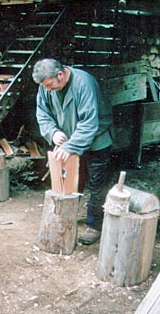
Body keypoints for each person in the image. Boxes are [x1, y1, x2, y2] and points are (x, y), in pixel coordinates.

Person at [32, 58, 113, 245]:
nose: (48, 90)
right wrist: (53, 132)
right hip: (70, 140)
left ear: (60, 75)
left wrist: (69, 146)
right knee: (71, 181)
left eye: (50, 85)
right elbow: (42, 113)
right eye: (45, 86)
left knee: (96, 186)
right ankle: (68, 218)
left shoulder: (84, 83)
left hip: (96, 140)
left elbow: (89, 123)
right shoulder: (46, 85)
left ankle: (94, 225)